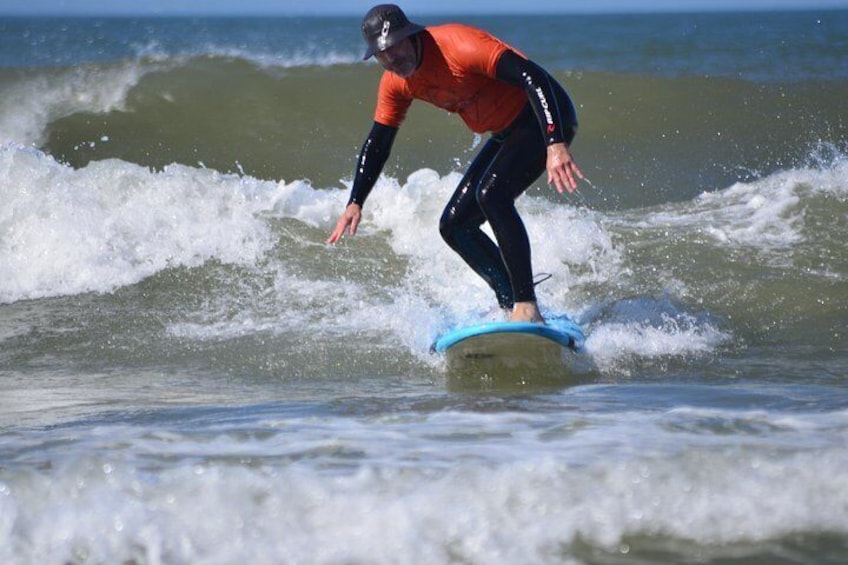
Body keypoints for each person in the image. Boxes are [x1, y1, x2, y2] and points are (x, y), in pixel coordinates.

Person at [327, 4, 584, 323]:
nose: (392, 59)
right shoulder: (396, 82)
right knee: (454, 225)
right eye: (383, 53)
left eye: (395, 47)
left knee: (492, 195)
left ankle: (526, 307)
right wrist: (355, 202)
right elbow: (378, 142)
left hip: (544, 117)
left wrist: (554, 141)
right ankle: (510, 304)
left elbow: (534, 78)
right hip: (506, 131)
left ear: (411, 35)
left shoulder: (460, 46)